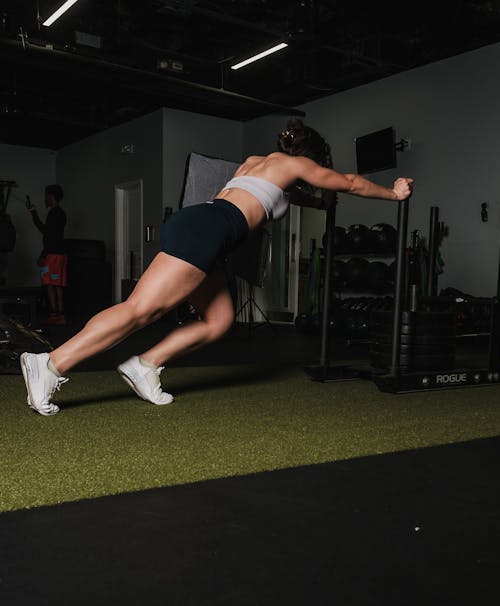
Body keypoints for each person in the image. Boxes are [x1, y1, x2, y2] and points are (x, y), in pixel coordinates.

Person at [20, 119, 413, 415]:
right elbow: (348, 181)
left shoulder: (258, 164)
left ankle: (145, 364)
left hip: (207, 227)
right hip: (210, 231)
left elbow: (294, 199)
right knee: (141, 310)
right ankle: (50, 364)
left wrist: (321, 200)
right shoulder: (294, 165)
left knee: (219, 320)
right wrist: (393, 194)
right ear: (311, 159)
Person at [27, 184, 68, 325]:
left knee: (48, 283)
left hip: (52, 257)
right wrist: (33, 213)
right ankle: (60, 315)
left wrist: (43, 255)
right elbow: (51, 234)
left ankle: (54, 315)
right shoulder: (61, 213)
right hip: (61, 256)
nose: (45, 199)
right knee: (57, 284)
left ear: (51, 197)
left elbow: (48, 235)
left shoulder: (53, 214)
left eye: (46, 196)